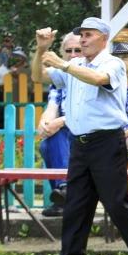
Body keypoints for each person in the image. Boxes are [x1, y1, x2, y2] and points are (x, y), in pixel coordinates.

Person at [31, 17, 128, 255]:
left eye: (89, 34)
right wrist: (41, 49)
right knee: (76, 206)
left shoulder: (112, 63)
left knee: (115, 204)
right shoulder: (76, 64)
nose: (82, 39)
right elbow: (38, 76)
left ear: (103, 38)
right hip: (79, 145)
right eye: (81, 35)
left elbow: (99, 79)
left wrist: (63, 64)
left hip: (107, 143)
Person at [37, 32, 82, 217]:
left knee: (51, 142)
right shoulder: (60, 79)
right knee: (47, 143)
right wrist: (44, 122)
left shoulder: (89, 75)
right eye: (68, 50)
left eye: (77, 50)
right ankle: (64, 193)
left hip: (89, 134)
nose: (72, 54)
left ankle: (64, 192)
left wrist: (60, 122)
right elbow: (52, 106)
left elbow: (85, 112)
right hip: (67, 136)